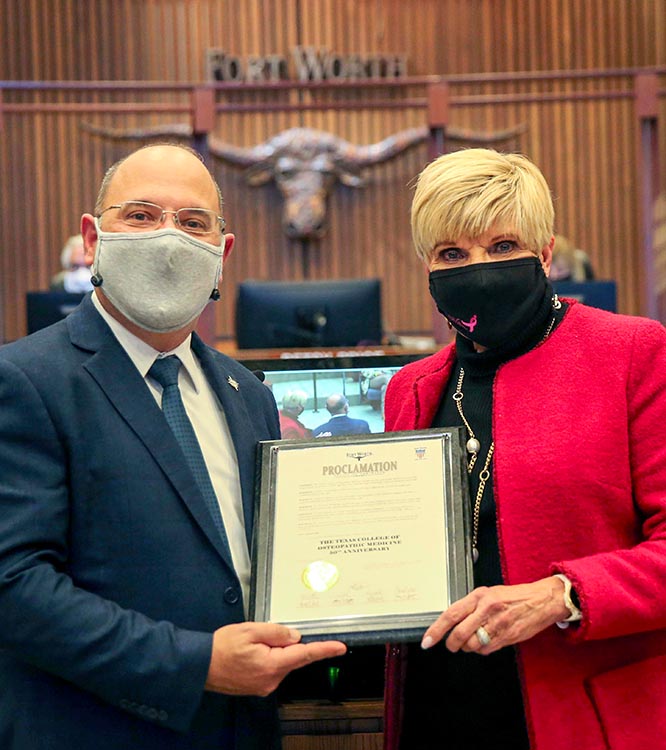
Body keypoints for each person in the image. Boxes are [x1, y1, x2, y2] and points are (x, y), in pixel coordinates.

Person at [0, 143, 345, 750]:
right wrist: (196, 664)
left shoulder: (248, 393)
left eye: (192, 223)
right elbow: (15, 585)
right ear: (91, 238)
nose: (168, 238)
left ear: (221, 254)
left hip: (244, 730)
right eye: (140, 215)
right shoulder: (25, 380)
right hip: (95, 729)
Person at [383, 148, 666, 750]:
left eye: (502, 246)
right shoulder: (410, 388)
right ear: (426, 267)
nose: (477, 268)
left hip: (580, 707)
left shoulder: (634, 354)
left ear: (544, 253)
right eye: (452, 254)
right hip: (442, 702)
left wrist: (560, 594)